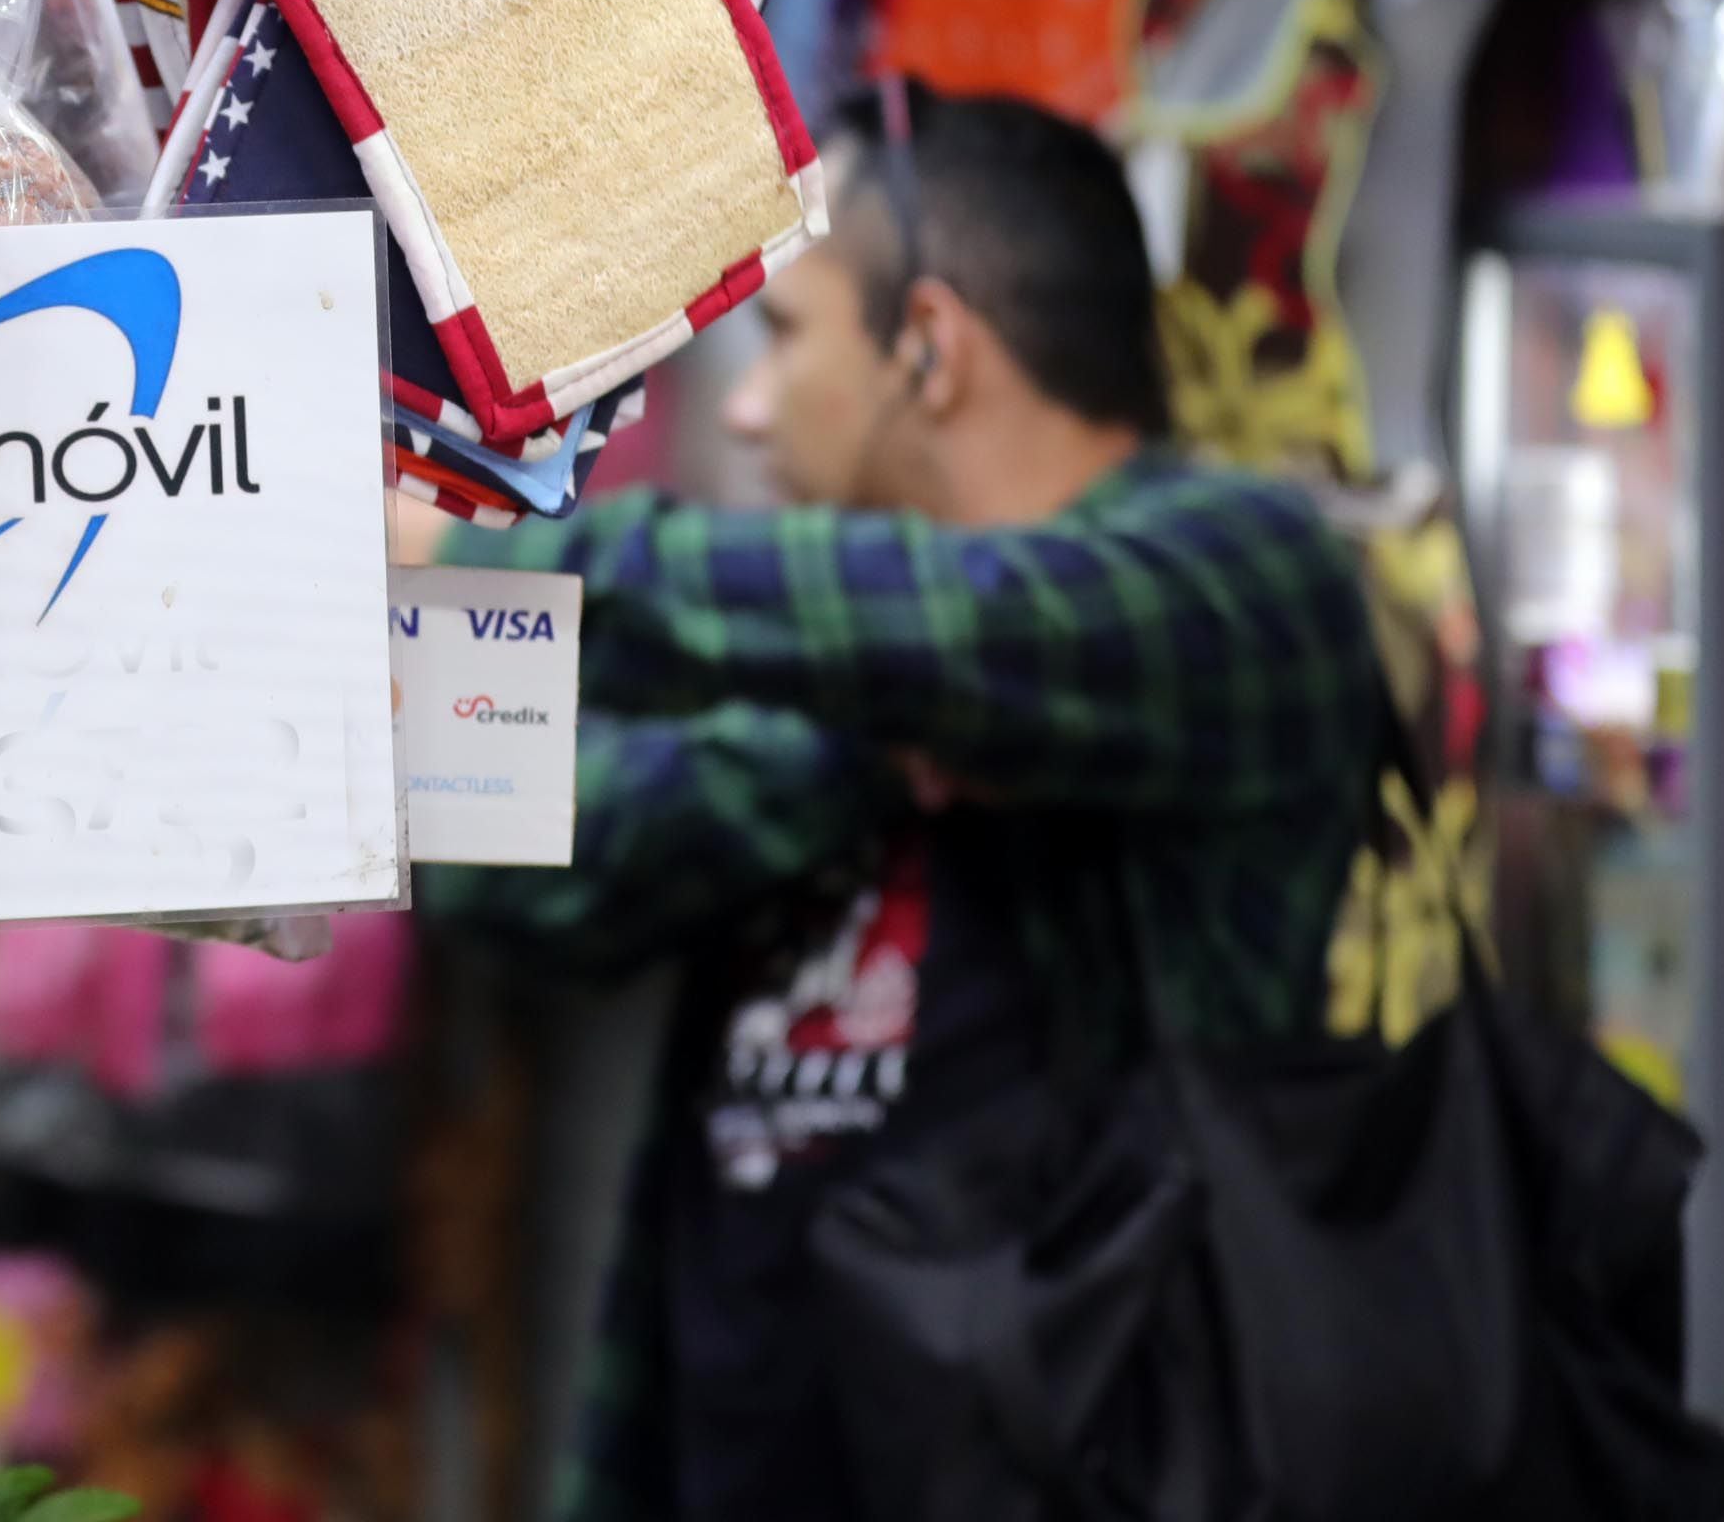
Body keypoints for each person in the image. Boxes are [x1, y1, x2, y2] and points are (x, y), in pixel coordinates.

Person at [429, 77, 1399, 1522]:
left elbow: (1002, 633)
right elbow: (491, 863)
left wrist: (485, 583)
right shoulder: (843, 645)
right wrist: (866, 741)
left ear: (929, 347)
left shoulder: (1241, 575)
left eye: (785, 335)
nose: (749, 413)